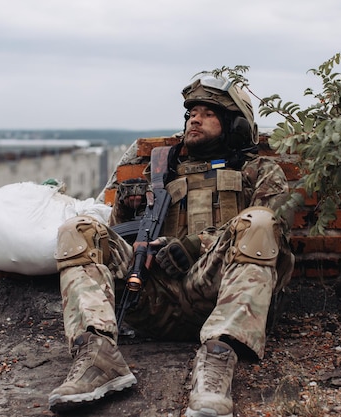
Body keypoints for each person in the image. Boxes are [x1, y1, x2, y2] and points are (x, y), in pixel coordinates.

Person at [48, 72, 295, 417]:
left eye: (208, 113)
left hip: (213, 292)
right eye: (192, 112)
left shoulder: (259, 171)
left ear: (235, 124)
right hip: (153, 299)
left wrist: (196, 245)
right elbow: (117, 237)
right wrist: (139, 241)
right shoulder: (160, 173)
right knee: (78, 229)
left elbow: (277, 228)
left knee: (259, 222)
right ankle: (97, 355)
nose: (195, 118)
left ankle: (218, 359)